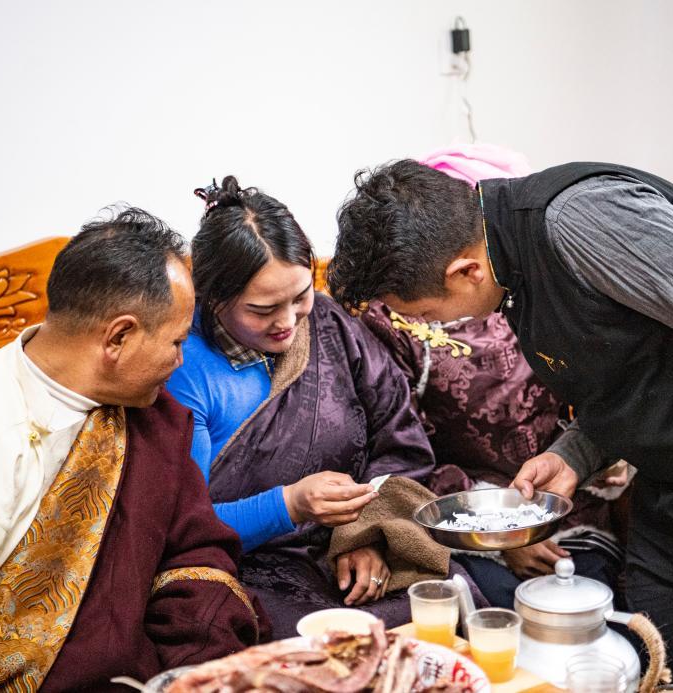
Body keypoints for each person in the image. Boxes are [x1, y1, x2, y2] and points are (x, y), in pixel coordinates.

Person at [329, 159, 673, 691]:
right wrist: (574, 454)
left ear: (466, 270)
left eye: (426, 315)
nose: (433, 327)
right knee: (672, 668)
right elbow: (641, 366)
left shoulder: (584, 218)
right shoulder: (510, 265)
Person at [0, 208, 268, 692]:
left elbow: (194, 548)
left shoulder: (147, 413)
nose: (180, 360)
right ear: (118, 337)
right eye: (176, 342)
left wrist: (193, 666)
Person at [166, 177, 483, 641]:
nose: (288, 322)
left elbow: (399, 438)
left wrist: (367, 536)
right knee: (319, 648)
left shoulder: (330, 325)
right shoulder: (182, 370)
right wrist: (289, 504)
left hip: (354, 546)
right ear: (212, 298)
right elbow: (183, 527)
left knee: (449, 601)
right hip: (250, 566)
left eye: (300, 296)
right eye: (262, 309)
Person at [360, 144, 630, 608]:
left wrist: (604, 451)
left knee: (589, 607)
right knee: (492, 611)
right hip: (461, 516)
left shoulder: (542, 288)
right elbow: (400, 446)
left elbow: (602, 389)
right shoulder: (397, 319)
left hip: (568, 502)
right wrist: (500, 531)